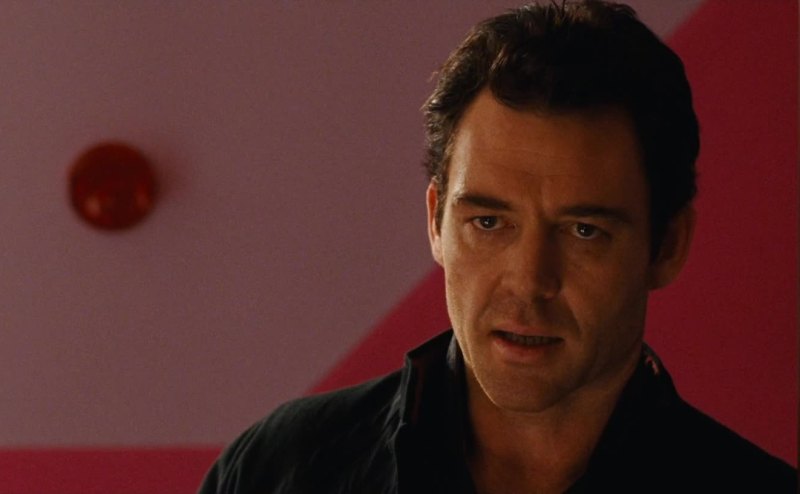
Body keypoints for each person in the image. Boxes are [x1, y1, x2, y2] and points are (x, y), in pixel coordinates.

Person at [198, 2, 797, 492]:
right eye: (488, 222)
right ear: (436, 222)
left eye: (583, 231)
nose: (528, 281)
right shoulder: (278, 472)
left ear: (667, 245)